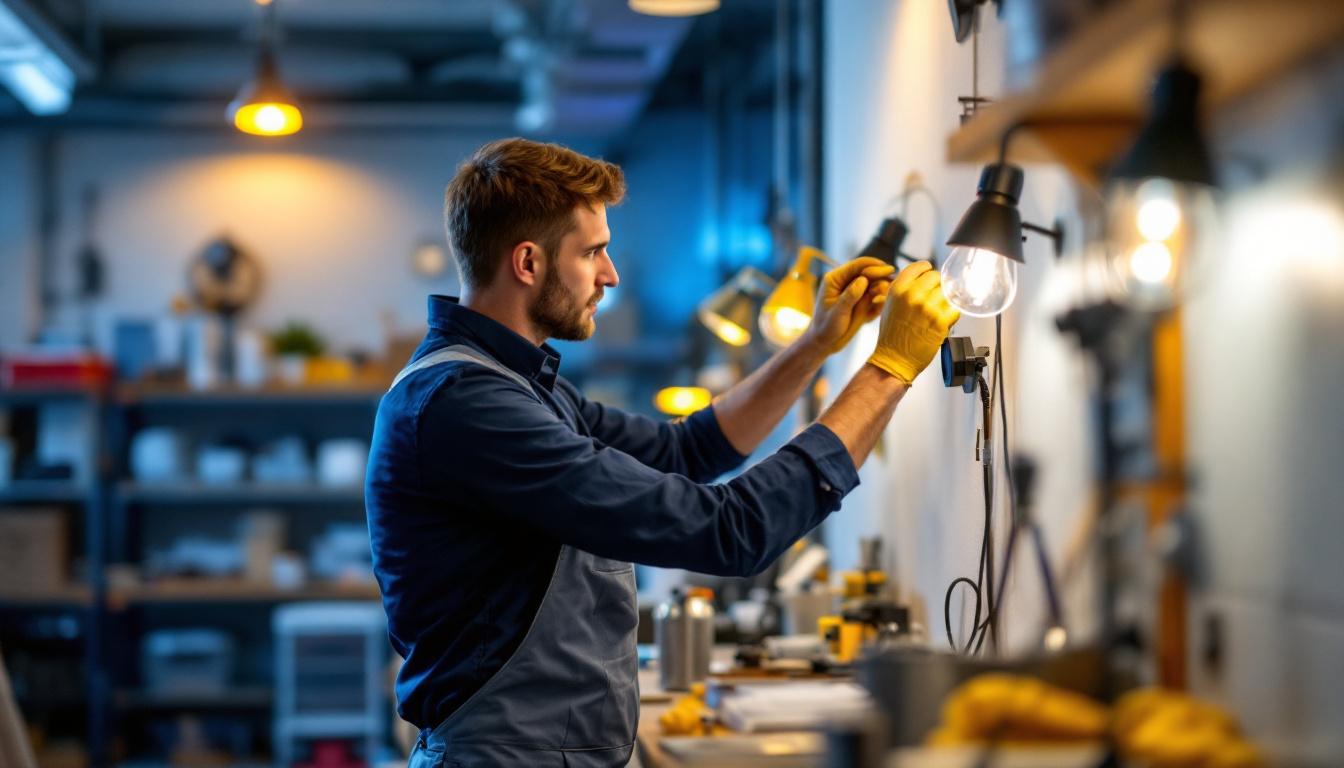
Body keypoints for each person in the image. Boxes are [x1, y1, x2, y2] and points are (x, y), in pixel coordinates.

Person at [365, 137, 959, 767]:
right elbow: (730, 532)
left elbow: (687, 450)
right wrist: (889, 370)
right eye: (593, 252)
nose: (610, 274)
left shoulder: (520, 387)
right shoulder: (469, 406)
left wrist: (814, 345)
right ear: (528, 263)